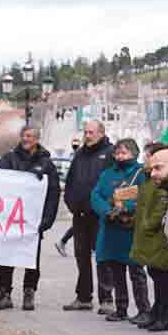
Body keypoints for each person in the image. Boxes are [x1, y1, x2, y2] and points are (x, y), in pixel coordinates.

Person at [0, 125, 61, 312]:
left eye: (29, 136)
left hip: (33, 221)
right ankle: (4, 293)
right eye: (23, 135)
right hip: (9, 219)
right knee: (4, 258)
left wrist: (47, 220)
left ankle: (29, 292)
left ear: (36, 139)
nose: (25, 139)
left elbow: (53, 193)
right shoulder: (8, 159)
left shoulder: (46, 164)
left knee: (31, 259)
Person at [63, 120, 116, 312]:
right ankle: (83, 297)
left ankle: (107, 299)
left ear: (101, 133)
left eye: (91, 132)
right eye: (85, 132)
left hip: (100, 216)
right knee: (81, 257)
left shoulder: (110, 153)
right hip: (80, 214)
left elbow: (115, 183)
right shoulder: (79, 154)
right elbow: (70, 181)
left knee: (103, 257)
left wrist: (106, 208)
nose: (87, 136)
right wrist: (71, 203)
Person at [89, 139, 143, 321]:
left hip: (131, 229)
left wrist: (126, 207)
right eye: (117, 153)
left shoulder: (140, 173)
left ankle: (143, 309)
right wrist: (107, 211)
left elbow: (144, 197)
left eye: (124, 153)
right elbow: (96, 195)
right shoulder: (107, 174)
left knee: (136, 272)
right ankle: (121, 308)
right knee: (116, 270)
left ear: (134, 154)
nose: (120, 156)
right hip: (111, 228)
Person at [130, 147, 168, 333]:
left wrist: (148, 224)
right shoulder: (148, 177)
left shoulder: (162, 181)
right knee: (155, 273)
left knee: (161, 276)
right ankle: (157, 311)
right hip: (149, 236)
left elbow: (161, 204)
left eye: (148, 156)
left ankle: (164, 315)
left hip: (159, 237)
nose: (146, 160)